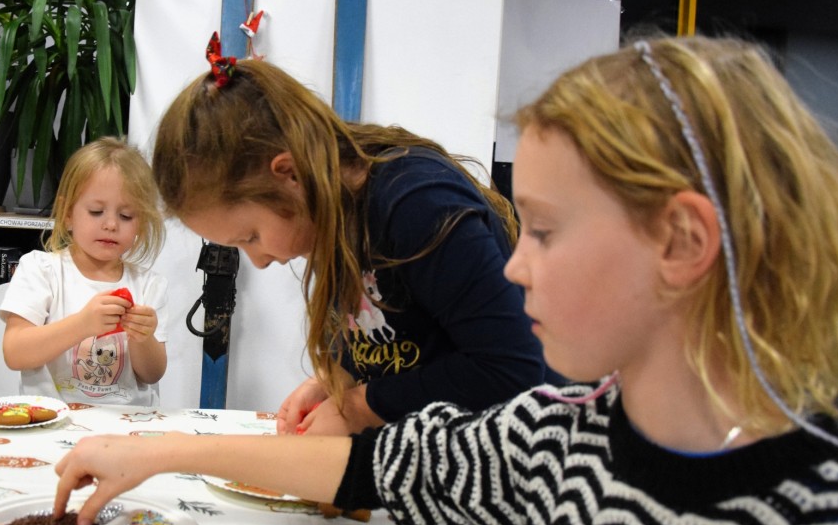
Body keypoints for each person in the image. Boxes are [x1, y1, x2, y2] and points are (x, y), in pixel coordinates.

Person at [55, 36, 838, 525]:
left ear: (682, 242)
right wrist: (153, 451)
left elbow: (399, 431)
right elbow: (364, 471)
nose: (510, 265)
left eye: (543, 230)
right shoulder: (547, 446)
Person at [152, 42, 549, 436]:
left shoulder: (418, 206)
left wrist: (362, 406)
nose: (258, 260)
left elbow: (512, 368)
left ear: (290, 175)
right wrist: (334, 379)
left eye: (251, 237)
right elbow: (388, 328)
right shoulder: (331, 211)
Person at [1, 137, 169, 406]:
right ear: (68, 213)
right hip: (53, 420)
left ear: (141, 223)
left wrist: (144, 337)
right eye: (96, 211)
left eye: (126, 215)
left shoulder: (148, 284)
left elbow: (152, 374)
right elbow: (15, 352)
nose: (111, 224)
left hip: (126, 425)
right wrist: (82, 324)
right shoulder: (41, 270)